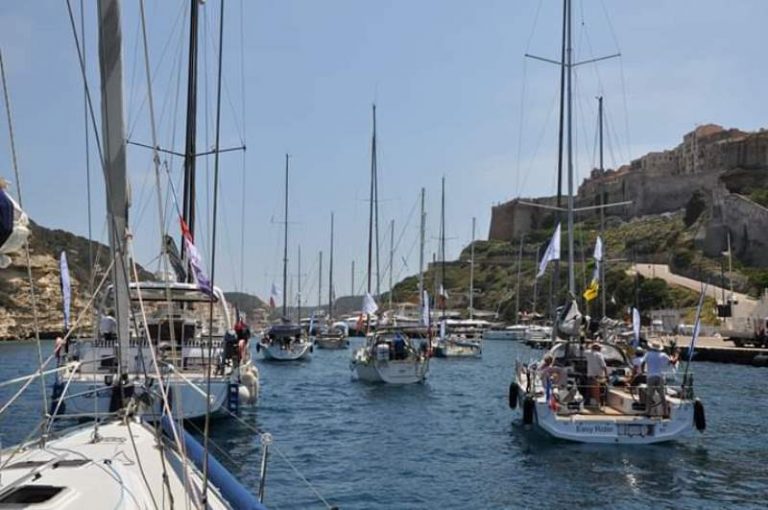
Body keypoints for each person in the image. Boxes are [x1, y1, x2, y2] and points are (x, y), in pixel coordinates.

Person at [643, 340, 678, 417]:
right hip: (660, 377)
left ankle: (648, 412)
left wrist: (643, 371)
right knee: (662, 396)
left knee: (649, 395)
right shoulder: (663, 355)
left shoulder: (648, 354)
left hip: (650, 376)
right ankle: (665, 413)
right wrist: (677, 355)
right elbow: (672, 362)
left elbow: (643, 362)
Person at [584, 343, 608, 408]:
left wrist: (587, 344)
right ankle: (600, 404)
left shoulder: (588, 353)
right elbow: (604, 366)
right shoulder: (599, 354)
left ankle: (587, 404)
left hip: (590, 376)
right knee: (600, 390)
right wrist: (606, 375)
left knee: (588, 390)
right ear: (598, 348)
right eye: (600, 348)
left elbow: (585, 349)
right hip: (599, 376)